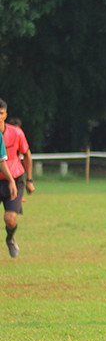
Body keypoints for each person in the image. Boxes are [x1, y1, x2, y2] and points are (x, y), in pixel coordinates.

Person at [0, 99, 29, 257]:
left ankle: (10, 238)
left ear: (6, 114)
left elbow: (3, 161)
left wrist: (27, 180)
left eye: (1, 113)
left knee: (10, 219)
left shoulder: (16, 133)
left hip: (14, 178)